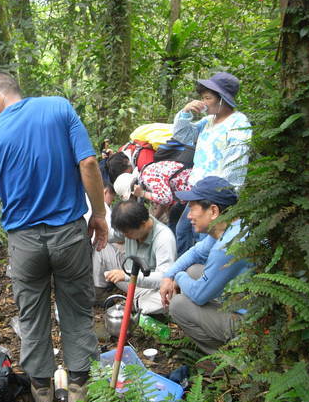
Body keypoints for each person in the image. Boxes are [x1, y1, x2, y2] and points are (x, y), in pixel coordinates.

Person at [0, 71, 108, 402]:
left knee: (32, 316)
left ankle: (42, 391)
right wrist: (99, 215)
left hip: (25, 243)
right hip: (69, 234)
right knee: (75, 309)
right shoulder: (59, 108)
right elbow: (87, 161)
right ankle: (79, 389)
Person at [160, 176, 251, 354]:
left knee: (178, 305)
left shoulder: (227, 247)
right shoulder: (231, 226)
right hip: (245, 300)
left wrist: (178, 277)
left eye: (193, 208)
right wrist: (169, 275)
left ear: (213, 211)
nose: (189, 215)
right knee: (193, 270)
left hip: (251, 323)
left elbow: (199, 295)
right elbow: (196, 252)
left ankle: (229, 360)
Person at [173, 72, 252, 256]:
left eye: (208, 98)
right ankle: (182, 274)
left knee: (204, 240)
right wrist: (185, 113)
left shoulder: (239, 123)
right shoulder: (208, 121)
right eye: (203, 98)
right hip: (197, 191)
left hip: (214, 196)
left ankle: (201, 276)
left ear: (223, 99)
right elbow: (184, 135)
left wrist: (221, 197)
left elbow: (236, 165)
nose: (204, 102)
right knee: (183, 231)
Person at [93, 201, 176, 315]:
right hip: (126, 275)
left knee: (170, 299)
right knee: (102, 244)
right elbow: (111, 235)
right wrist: (95, 232)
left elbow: (164, 278)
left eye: (127, 233)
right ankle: (99, 292)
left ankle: (133, 305)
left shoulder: (164, 237)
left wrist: (127, 277)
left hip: (147, 288)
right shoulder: (130, 225)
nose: (125, 236)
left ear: (143, 224)